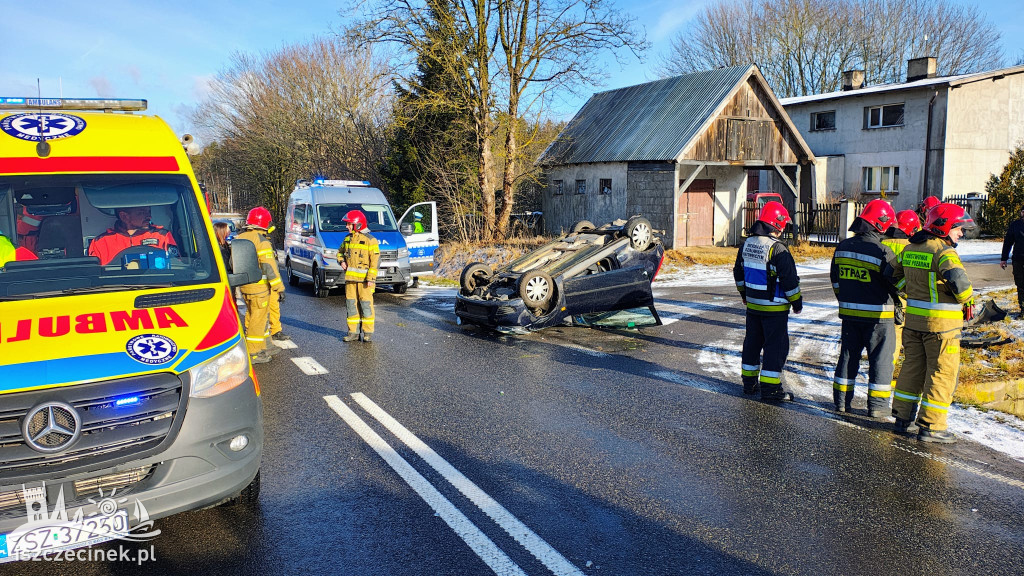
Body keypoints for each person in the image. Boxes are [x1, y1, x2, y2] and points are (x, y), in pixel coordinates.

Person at [891, 203, 975, 443]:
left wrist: (909, 291)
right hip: (942, 327)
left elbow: (891, 276)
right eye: (958, 228)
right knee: (941, 373)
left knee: (912, 369)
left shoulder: (910, 249)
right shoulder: (944, 252)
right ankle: (932, 426)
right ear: (944, 227)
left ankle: (901, 417)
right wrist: (968, 300)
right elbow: (961, 287)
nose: (961, 233)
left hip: (914, 323)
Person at [830, 199, 900, 418]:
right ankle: (878, 406)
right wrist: (899, 304)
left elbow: (835, 281)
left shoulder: (842, 247)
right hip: (879, 317)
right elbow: (897, 285)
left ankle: (841, 402)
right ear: (881, 223)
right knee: (880, 360)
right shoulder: (882, 251)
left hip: (850, 315)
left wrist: (846, 299)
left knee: (848, 357)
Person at [733, 201, 802, 402]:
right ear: (777, 224)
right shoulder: (778, 249)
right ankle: (771, 391)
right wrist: (797, 303)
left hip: (753, 306)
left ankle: (749, 384)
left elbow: (738, 273)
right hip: (775, 309)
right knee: (775, 348)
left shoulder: (746, 244)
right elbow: (789, 281)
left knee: (752, 344)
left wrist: (744, 295)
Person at [235, 207, 284, 364]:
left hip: (244, 286)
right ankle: (254, 352)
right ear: (264, 223)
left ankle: (261, 346)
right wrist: (279, 287)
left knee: (252, 316)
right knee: (258, 319)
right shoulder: (261, 241)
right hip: (259, 288)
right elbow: (269, 267)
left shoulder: (239, 237)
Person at [882, 210, 923, 393]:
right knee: (896, 336)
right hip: (901, 298)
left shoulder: (881, 241)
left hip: (879, 297)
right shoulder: (910, 247)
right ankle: (887, 374)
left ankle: (879, 368)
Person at [337, 209, 380, 342]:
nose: (347, 226)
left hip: (365, 282)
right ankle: (353, 332)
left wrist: (371, 279)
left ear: (358, 224)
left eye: (349, 224)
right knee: (351, 305)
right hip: (350, 280)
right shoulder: (347, 239)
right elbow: (339, 253)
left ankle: (367, 333)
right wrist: (342, 261)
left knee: (366, 305)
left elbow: (375, 261)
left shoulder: (370, 240)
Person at [88, 206, 178, 265]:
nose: (149, 216)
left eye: (149, 211)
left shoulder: (162, 235)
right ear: (124, 216)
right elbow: (94, 275)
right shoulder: (100, 242)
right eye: (142, 212)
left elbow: (177, 266)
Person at [999, 206, 1024, 317]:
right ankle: (1023, 310)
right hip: (1018, 259)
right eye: (1023, 211)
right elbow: (1008, 242)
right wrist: (1004, 258)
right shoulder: (1015, 225)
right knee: (1021, 285)